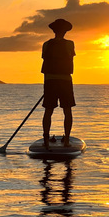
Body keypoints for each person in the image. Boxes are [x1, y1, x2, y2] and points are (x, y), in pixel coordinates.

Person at [40, 18, 76, 149]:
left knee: (48, 111)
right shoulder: (70, 44)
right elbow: (70, 57)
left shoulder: (46, 44)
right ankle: (66, 140)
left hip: (49, 80)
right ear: (65, 31)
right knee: (67, 110)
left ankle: (46, 139)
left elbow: (45, 59)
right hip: (65, 80)